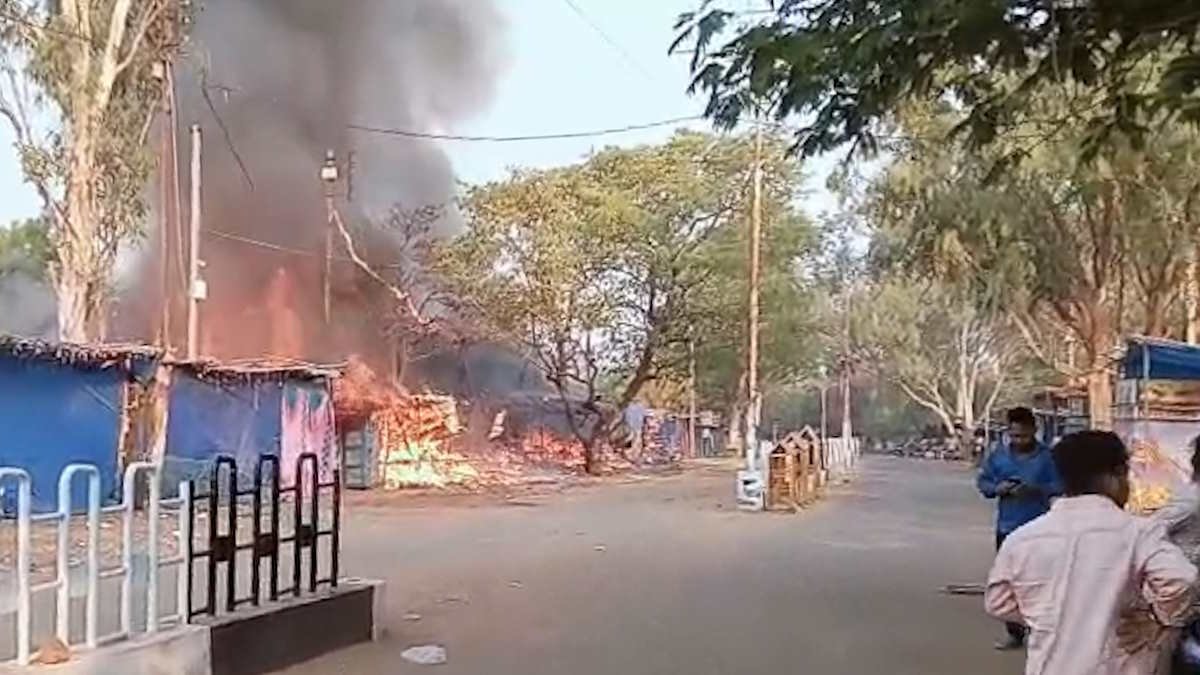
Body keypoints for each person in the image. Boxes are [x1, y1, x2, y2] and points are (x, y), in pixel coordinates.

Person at [985, 431, 1197, 675]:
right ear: (1119, 474)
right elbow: (1183, 579)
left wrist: (1048, 615)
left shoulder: (1023, 539)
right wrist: (1159, 619)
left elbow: (997, 602)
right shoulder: (1138, 533)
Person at [977, 406, 1063, 649]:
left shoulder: (1048, 458)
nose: (1019, 441)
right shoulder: (998, 456)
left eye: (1024, 436)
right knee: (1009, 580)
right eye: (1014, 436)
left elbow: (1061, 485)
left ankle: (1041, 630)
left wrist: (1036, 489)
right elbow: (983, 483)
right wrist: (999, 488)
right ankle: (1014, 633)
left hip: (1040, 528)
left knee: (1040, 580)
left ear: (1034, 431)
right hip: (1007, 527)